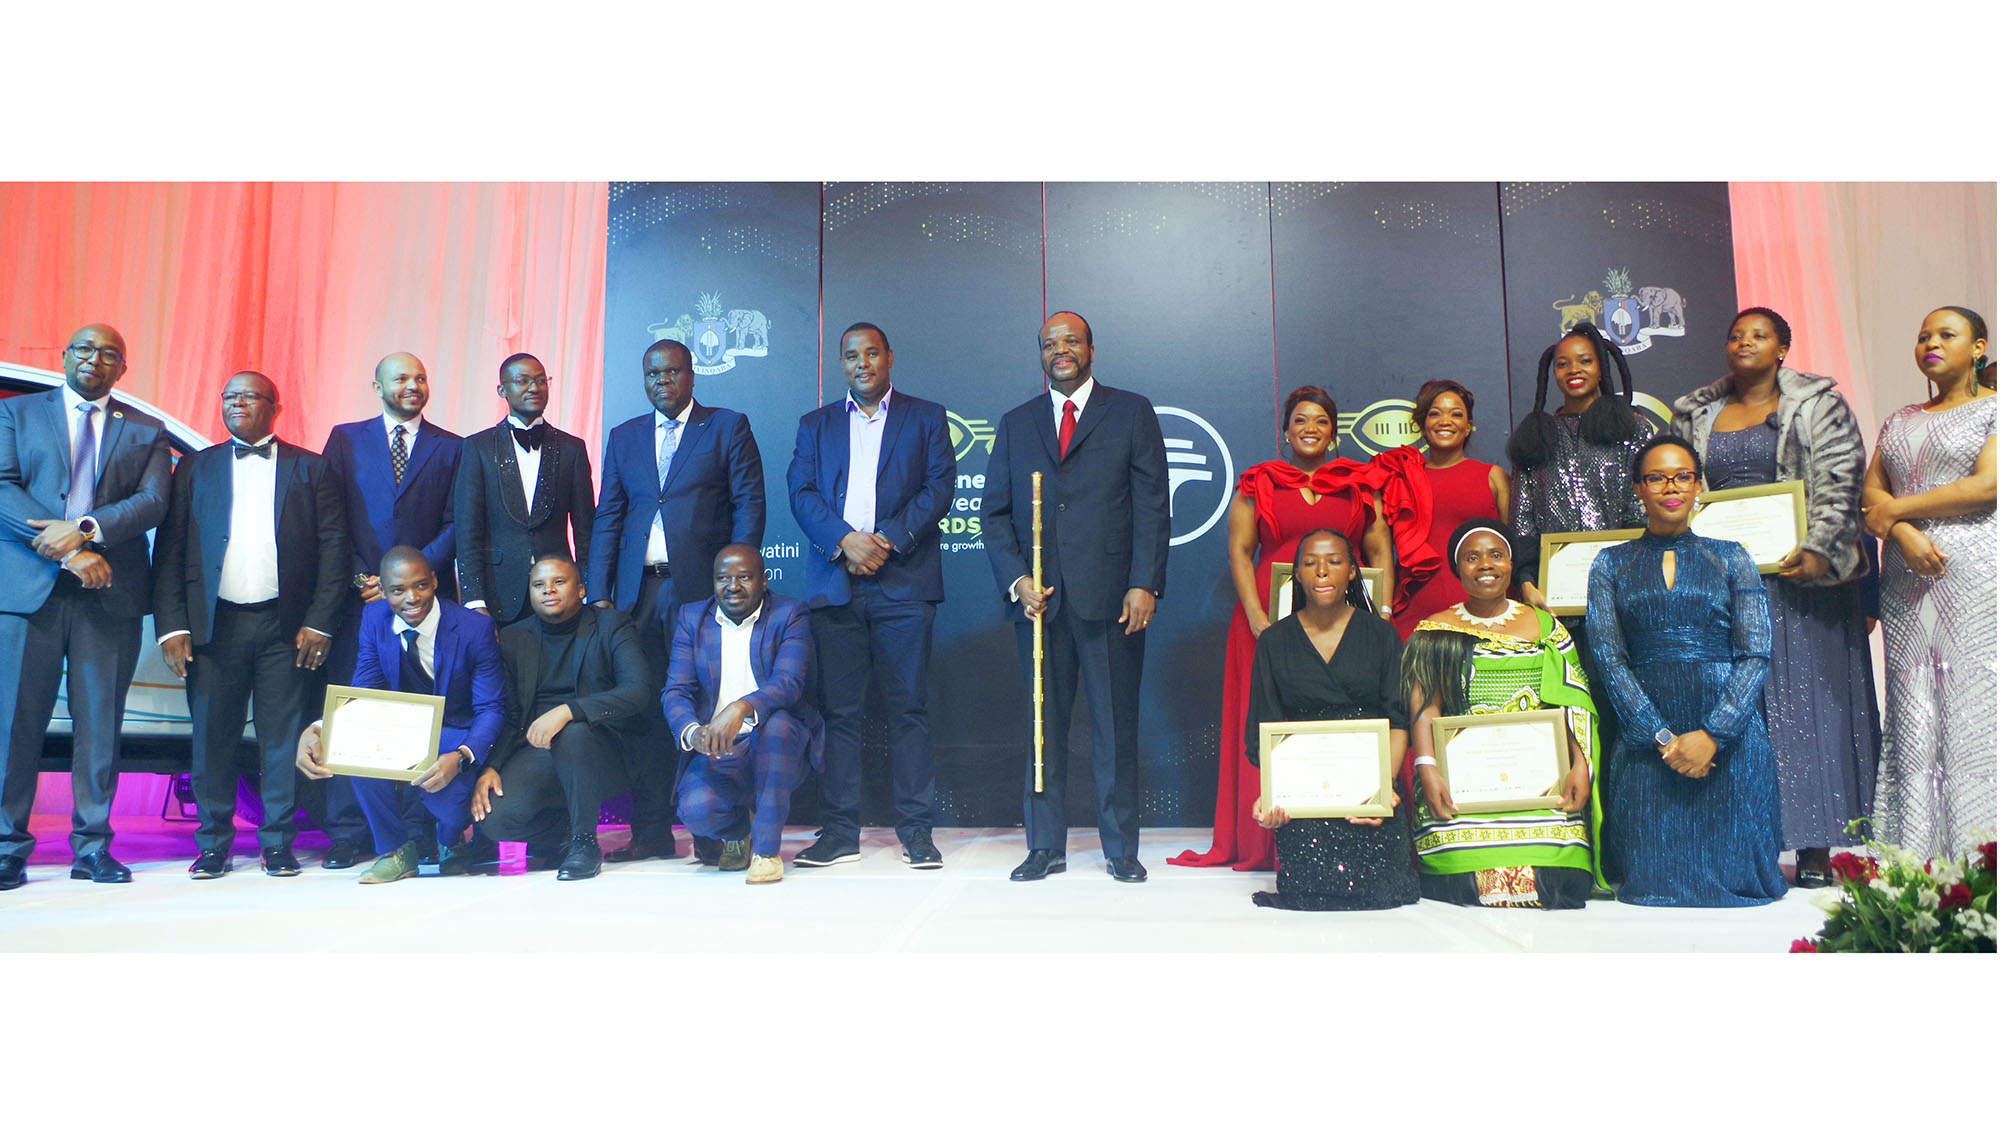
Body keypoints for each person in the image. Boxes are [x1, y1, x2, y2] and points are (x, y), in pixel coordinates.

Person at [1670, 308, 1879, 887]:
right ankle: (1747, 839)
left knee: (1806, 710)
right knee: (1738, 707)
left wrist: (1820, 548)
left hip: (1803, 580)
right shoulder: (1695, 413)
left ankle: (1814, 845)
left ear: (1783, 348)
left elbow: (1841, 481)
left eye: (1759, 335)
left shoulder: (1818, 405)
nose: (1745, 342)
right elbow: (1681, 489)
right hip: (1724, 582)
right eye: (1736, 335)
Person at [1168, 385, 1413, 873]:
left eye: (1321, 421)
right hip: (1265, 619)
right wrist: (1256, 615)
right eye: (1300, 420)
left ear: (1334, 432)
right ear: (1285, 431)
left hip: (1346, 617)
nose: (1310, 429)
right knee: (1267, 716)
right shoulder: (1257, 483)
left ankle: (1351, 811)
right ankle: (1264, 835)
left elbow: (1379, 549)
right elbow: (1240, 552)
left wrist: (1382, 613)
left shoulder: (1360, 483)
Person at [982, 311, 1169, 883]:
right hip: (1039, 604)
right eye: (1049, 344)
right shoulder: (1016, 423)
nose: (1060, 350)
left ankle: (1120, 848)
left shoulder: (1130, 411)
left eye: (1070, 341)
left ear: (1091, 349)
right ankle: (1044, 845)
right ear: (1040, 354)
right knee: (1043, 727)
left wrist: (1144, 582)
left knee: (1115, 728)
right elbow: (994, 514)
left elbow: (1151, 505)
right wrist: (1017, 581)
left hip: (1112, 600)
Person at [153, 371, 348, 878]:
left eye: (251, 396)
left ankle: (277, 843)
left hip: (286, 629)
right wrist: (172, 626)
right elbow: (170, 550)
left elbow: (334, 551)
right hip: (213, 628)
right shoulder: (194, 467)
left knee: (280, 741)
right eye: (231, 396)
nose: (238, 403)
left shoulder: (312, 468)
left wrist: (320, 622)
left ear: (275, 408)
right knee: (211, 738)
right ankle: (213, 845)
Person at [0, 324, 171, 891]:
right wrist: (71, 551)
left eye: (109, 354)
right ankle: (6, 846)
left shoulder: (146, 428)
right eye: (84, 348)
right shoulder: (17, 413)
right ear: (65, 356)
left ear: (122, 368)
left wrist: (88, 529)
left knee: (100, 726)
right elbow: (2, 488)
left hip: (109, 596)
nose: (94, 359)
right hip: (29, 591)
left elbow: (153, 501)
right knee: (15, 725)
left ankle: (93, 847)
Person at [1586, 435, 1787, 906]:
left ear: (1699, 486)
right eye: (1657, 477)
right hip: (1647, 742)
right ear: (1638, 488)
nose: (1671, 487)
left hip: (1729, 740)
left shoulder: (1732, 556)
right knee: (1649, 882)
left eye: (1682, 476)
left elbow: (1755, 653)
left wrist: (1714, 734)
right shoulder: (1610, 563)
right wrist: (1663, 739)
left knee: (1740, 875)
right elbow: (1609, 659)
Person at [589, 337, 764, 863]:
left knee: (703, 702)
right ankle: (651, 831)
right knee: (644, 708)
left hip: (702, 594)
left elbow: (749, 505)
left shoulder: (726, 426)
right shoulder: (624, 436)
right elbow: (609, 515)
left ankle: (712, 828)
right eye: (653, 374)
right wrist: (599, 594)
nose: (662, 381)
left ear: (691, 375)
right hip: (638, 594)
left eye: (671, 372)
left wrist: (736, 584)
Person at [786, 322, 955, 869]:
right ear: (842, 364)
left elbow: (939, 487)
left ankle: (917, 832)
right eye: (851, 355)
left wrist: (886, 541)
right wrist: (844, 541)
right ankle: (840, 833)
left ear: (889, 358)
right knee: (840, 714)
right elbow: (801, 492)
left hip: (904, 582)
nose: (862, 363)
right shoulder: (815, 425)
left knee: (909, 710)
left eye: (872, 353)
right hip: (836, 586)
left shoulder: (925, 417)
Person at [313, 351, 464, 871]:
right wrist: (366, 579)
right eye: (401, 378)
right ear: (377, 386)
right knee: (355, 709)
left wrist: (411, 580)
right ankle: (346, 832)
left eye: (420, 377)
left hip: (425, 602)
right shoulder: (345, 439)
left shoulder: (452, 447)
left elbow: (456, 522)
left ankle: (417, 829)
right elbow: (331, 517)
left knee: (420, 712)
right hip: (361, 601)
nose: (413, 385)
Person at [1402, 518, 1601, 909]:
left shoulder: (1547, 627)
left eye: (1496, 555)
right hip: (1464, 781)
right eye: (1472, 557)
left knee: (1562, 881)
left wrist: (1581, 765)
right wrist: (1428, 769)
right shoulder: (1435, 631)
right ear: (1458, 569)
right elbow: (1425, 709)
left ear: (1511, 564)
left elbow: (1573, 703)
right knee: (1458, 881)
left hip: (1542, 780)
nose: (1485, 565)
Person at [1862, 306, 1995, 860]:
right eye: (1923, 336)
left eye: (1946, 334)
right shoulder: (1899, 419)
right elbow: (1871, 495)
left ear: (1979, 347)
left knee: (1974, 700)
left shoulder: (1994, 409)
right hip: (1906, 577)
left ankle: (1979, 856)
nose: (1931, 344)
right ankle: (1913, 856)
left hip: (1972, 573)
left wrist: (1897, 512)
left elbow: (1986, 487)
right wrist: (1903, 532)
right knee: (1912, 703)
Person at [296, 547, 506, 883]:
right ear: (383, 591)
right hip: (406, 728)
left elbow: (491, 709)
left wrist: (462, 756)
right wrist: (319, 728)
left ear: (434, 581)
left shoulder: (473, 628)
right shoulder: (374, 618)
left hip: (459, 734)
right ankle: (395, 851)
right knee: (354, 741)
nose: (412, 598)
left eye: (420, 585)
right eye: (398, 590)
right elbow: (364, 692)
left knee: (450, 805)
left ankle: (451, 837)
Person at [1242, 529, 1419, 910]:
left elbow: (1398, 721)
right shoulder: (1274, 641)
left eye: (1335, 562)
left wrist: (1380, 791)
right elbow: (1265, 727)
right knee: (1308, 891)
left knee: (1383, 894)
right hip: (1305, 793)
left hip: (1369, 788)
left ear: (1353, 572)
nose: (1322, 571)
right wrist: (1274, 794)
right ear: (1297, 574)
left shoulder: (1382, 635)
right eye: (1310, 563)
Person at [470, 557, 654, 881]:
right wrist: (492, 766)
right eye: (539, 585)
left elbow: (637, 691)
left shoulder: (612, 625)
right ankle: (566, 834)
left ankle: (585, 844)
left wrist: (568, 711)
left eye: (559, 582)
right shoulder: (513, 638)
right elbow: (511, 715)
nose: (548, 590)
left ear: (581, 589)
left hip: (604, 748)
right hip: (538, 751)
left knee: (572, 733)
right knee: (494, 819)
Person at [666, 544, 823, 885]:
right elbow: (676, 690)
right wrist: (693, 731)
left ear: (764, 581)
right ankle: (741, 832)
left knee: (776, 725)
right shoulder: (693, 618)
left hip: (780, 743)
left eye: (744, 577)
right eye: (723, 578)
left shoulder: (789, 613)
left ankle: (766, 852)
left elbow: (788, 683)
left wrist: (741, 707)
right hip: (722, 746)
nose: (732, 586)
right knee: (696, 810)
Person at [455, 352, 594, 625]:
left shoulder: (572, 448)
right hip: (498, 592)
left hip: (561, 592)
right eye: (523, 381)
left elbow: (585, 530)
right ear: (502, 390)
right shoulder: (478, 447)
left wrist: (588, 590)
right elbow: (467, 530)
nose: (534, 387)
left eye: (541, 380)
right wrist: (474, 600)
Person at [1390, 378, 1510, 638]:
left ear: (1468, 426)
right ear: (1422, 423)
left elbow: (1514, 549)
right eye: (1435, 414)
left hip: (1482, 614)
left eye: (1456, 414)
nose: (1445, 421)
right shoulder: (1402, 478)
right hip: (1414, 614)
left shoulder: (1493, 477)